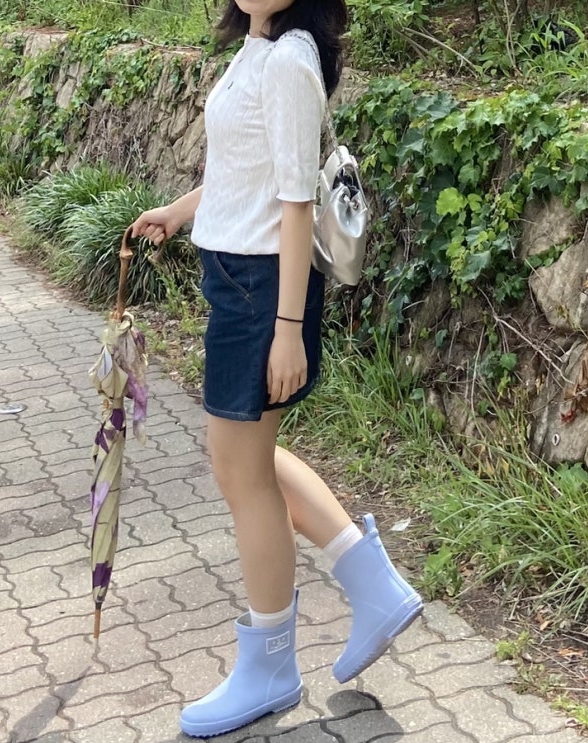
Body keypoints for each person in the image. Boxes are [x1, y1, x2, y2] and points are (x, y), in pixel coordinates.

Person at [130, 0, 423, 737]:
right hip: (237, 278)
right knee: (248, 459)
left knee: (241, 473)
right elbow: (246, 173)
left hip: (262, 290)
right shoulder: (257, 48)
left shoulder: (291, 59)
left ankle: (269, 665)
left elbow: (296, 203)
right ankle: (373, 584)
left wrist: (288, 330)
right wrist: (179, 211)